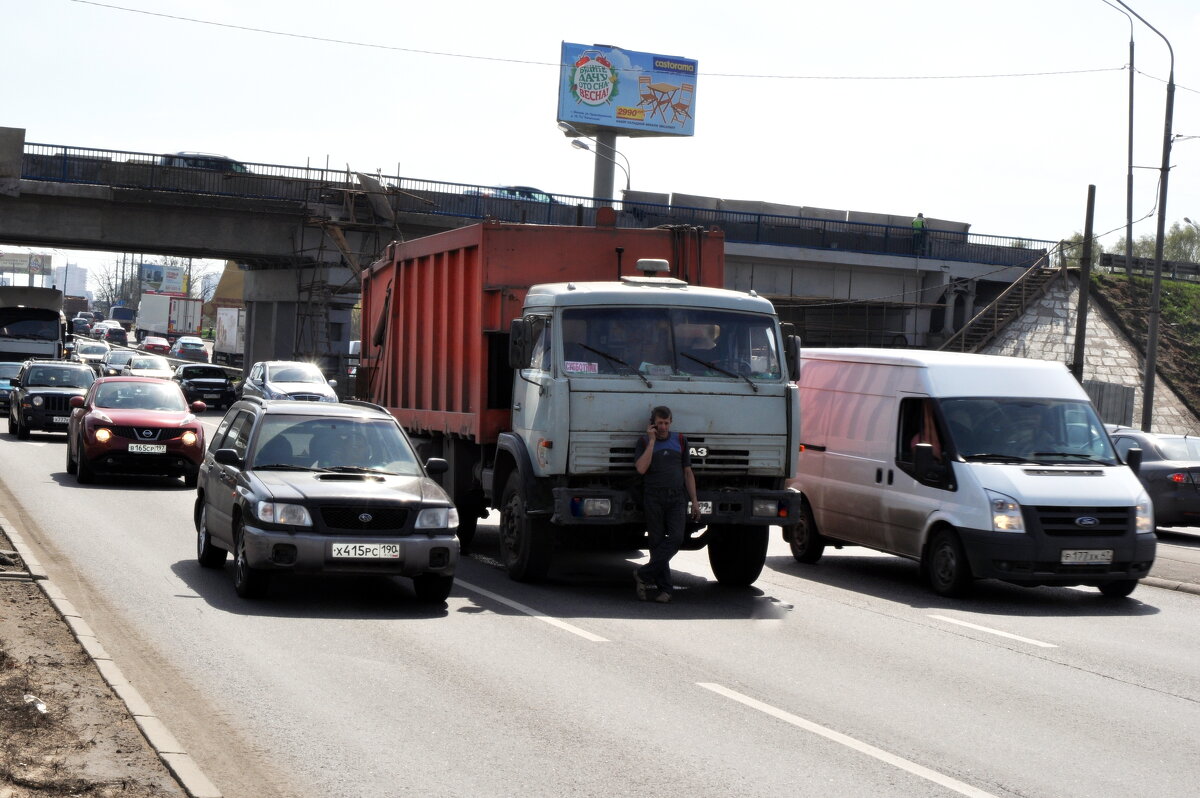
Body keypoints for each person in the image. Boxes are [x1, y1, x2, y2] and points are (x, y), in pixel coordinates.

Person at [633, 406, 700, 603]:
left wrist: (694, 501)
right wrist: (652, 441)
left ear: (671, 422)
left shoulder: (680, 440)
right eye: (660, 423)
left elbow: (688, 472)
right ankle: (666, 590)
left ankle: (643, 574)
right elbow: (641, 468)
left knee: (677, 537)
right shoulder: (644, 441)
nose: (663, 427)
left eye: (666, 423)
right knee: (656, 542)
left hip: (677, 498)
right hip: (653, 497)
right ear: (653, 423)